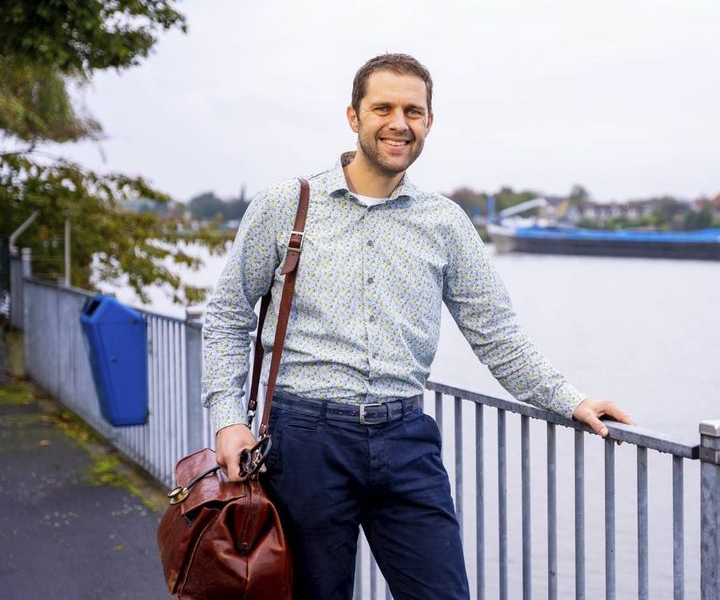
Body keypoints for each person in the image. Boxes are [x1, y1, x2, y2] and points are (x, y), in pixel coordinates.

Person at [202, 53, 633, 599]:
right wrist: (226, 420)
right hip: (305, 441)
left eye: (414, 110)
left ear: (429, 122)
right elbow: (228, 314)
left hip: (404, 441)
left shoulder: (445, 222)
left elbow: (496, 333)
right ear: (354, 116)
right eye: (383, 107)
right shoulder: (286, 204)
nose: (399, 123)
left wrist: (571, 399)